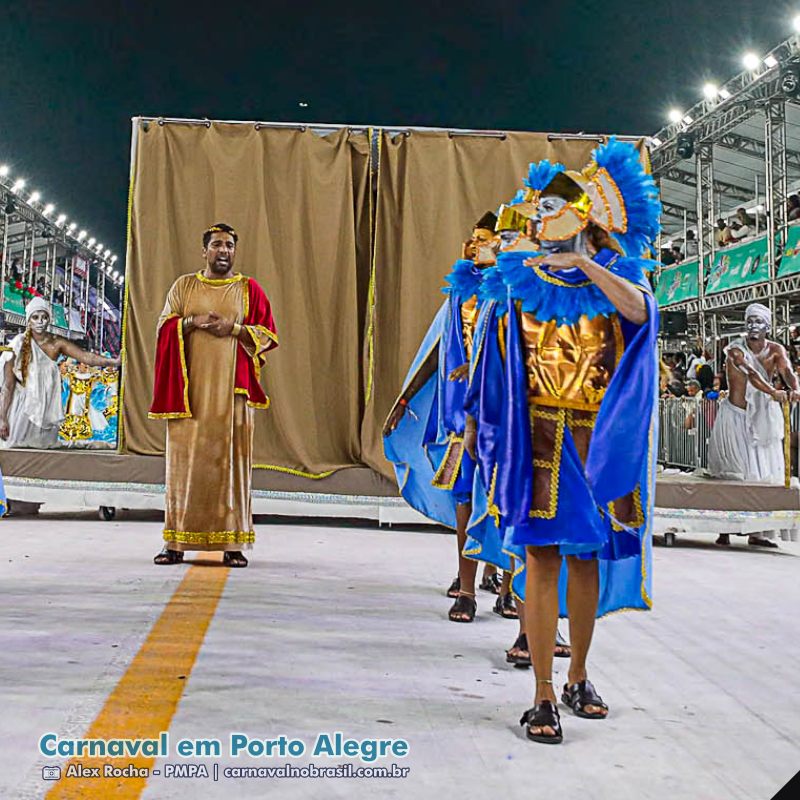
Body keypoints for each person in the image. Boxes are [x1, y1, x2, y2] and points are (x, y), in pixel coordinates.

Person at [466, 139, 659, 744]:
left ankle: (578, 675)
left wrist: (588, 263)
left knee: (584, 558)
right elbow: (489, 361)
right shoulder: (516, 281)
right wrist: (477, 425)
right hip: (537, 441)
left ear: (587, 219)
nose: (541, 214)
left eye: (555, 206)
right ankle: (543, 693)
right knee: (542, 559)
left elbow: (642, 315)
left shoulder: (617, 279)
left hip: (598, 444)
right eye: (540, 206)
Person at [383, 212, 507, 622]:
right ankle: (468, 587)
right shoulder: (459, 292)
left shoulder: (515, 290)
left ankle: (510, 586)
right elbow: (437, 349)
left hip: (505, 421)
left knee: (507, 502)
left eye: (484, 239)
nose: (475, 246)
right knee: (464, 497)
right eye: (472, 239)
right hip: (460, 417)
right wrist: (404, 401)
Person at [150, 223, 278, 567]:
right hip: (188, 396)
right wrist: (190, 322)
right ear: (204, 250)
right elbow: (164, 326)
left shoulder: (249, 289)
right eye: (217, 245)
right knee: (183, 468)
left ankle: (232, 543)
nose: (224, 251)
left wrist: (233, 329)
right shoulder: (184, 287)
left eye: (230, 246)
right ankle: (175, 542)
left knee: (230, 468)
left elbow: (267, 334)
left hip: (231, 398)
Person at [708, 303, 800, 547]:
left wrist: (796, 388)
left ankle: (757, 532)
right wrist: (773, 391)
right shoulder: (735, 350)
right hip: (735, 417)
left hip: (761, 420)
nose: (752, 327)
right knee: (732, 472)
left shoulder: (777, 350)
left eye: (758, 322)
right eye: (749, 322)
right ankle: (724, 530)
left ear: (768, 326)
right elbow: (751, 373)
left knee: (761, 473)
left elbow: (787, 371)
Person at [0, 297, 119, 448]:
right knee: (17, 452)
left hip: (47, 409)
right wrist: (2, 418)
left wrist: (113, 362)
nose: (40, 321)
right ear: (29, 319)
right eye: (35, 317)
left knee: (45, 454)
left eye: (44, 317)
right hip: (22, 411)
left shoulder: (56, 343)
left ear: (49, 319)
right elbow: (7, 386)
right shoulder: (17, 344)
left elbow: (85, 356)